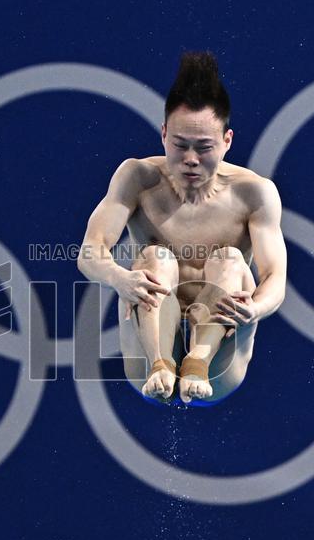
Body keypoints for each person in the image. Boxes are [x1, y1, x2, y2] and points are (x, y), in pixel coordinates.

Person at [77, 51, 287, 404]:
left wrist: (255, 310)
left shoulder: (255, 193)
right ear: (163, 135)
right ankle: (162, 361)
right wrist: (118, 278)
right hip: (150, 348)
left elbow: (275, 277)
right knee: (153, 258)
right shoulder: (137, 178)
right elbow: (89, 252)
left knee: (232, 261)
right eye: (179, 145)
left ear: (227, 141)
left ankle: (197, 362)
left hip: (220, 357)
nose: (190, 159)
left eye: (204, 147)